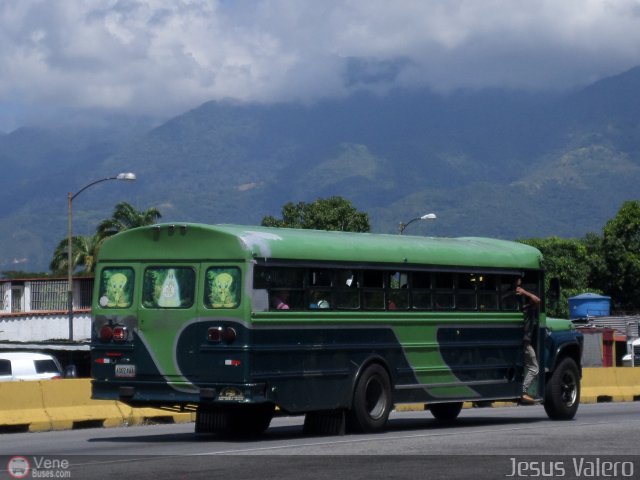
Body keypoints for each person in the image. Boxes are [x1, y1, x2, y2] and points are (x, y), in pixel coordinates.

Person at [516, 277, 540, 404]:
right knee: (534, 368)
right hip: (525, 342)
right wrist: (525, 292)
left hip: (522, 341)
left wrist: (524, 292)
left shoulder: (523, 308)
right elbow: (537, 300)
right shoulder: (528, 308)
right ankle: (523, 391)